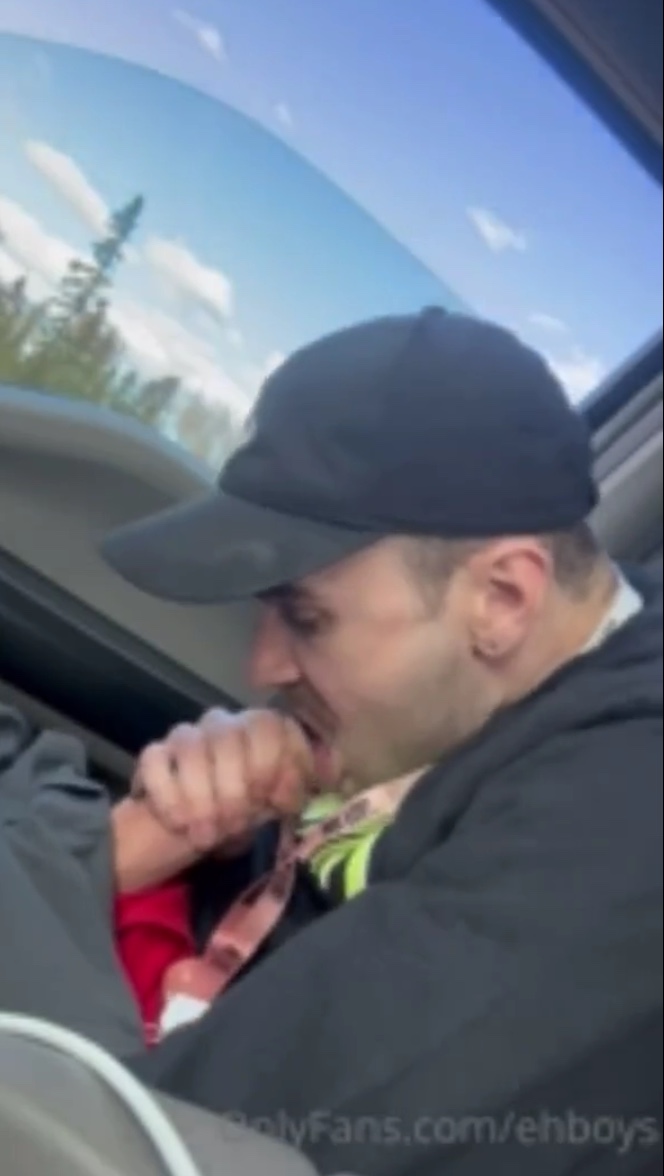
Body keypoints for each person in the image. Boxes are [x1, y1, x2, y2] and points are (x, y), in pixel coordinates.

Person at [101, 308, 662, 1176]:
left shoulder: (624, 824)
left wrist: (91, 865)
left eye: (306, 617)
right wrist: (201, 835)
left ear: (503, 600)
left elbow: (169, 1150)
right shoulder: (487, 700)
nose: (261, 665)